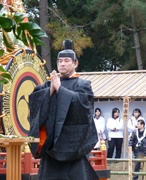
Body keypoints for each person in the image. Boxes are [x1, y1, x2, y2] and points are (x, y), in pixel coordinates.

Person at [28, 39, 99, 179]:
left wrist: (60, 89)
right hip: (51, 147)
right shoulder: (48, 85)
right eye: (60, 61)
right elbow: (34, 104)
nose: (62, 64)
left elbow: (84, 108)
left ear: (75, 63)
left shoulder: (83, 84)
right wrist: (50, 90)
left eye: (66, 61)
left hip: (74, 146)